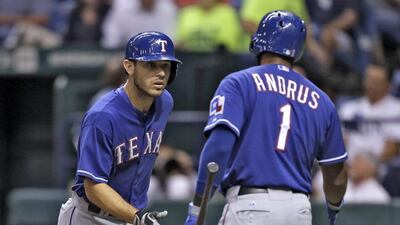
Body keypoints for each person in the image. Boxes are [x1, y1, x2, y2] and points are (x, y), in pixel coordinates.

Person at [184, 10, 348, 225]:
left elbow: (219, 148)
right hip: (299, 211)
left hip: (251, 207)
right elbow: (337, 174)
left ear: (258, 42)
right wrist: (333, 209)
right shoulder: (323, 100)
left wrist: (197, 207)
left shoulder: (238, 83)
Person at [57, 31, 182, 225]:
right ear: (129, 66)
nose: (161, 73)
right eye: (150, 65)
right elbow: (94, 186)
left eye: (166, 65)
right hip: (91, 216)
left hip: (128, 216)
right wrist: (137, 216)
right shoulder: (103, 116)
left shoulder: (164, 102)